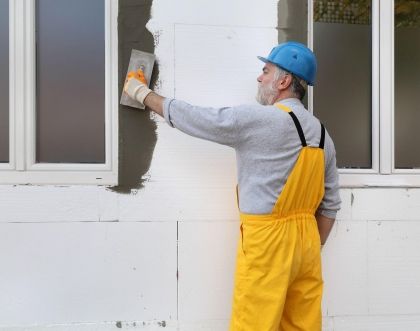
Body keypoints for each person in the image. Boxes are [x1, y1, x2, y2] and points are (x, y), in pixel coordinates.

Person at [124, 41, 341, 331]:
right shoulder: (323, 134)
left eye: (266, 71)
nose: (259, 78)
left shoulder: (260, 119)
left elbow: (197, 118)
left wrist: (142, 93)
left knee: (254, 323)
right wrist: (312, 247)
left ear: (284, 81)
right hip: (308, 243)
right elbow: (330, 206)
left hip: (268, 242)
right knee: (301, 325)